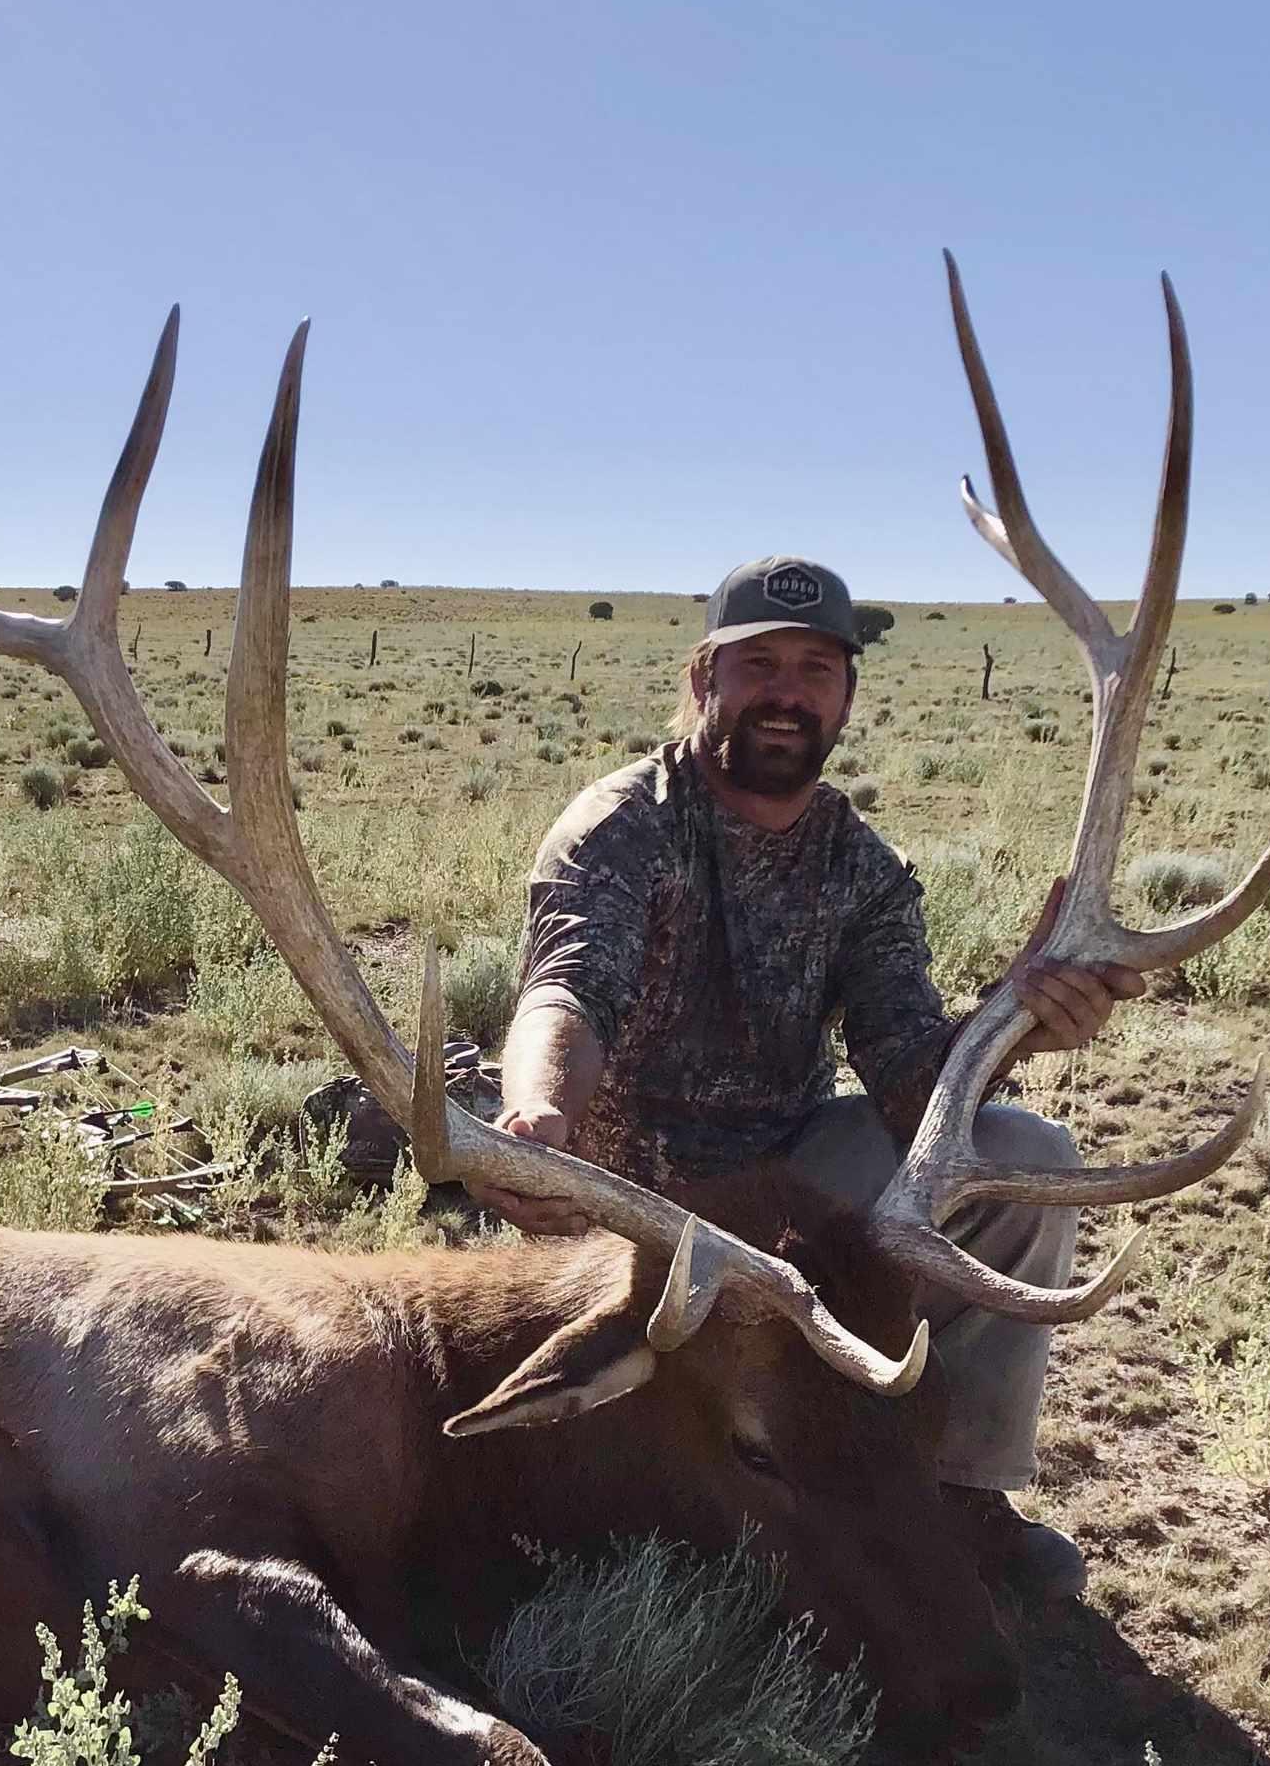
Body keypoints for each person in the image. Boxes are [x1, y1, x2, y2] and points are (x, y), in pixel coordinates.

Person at [467, 555, 1144, 1605]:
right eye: (761, 665)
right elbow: (565, 994)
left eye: (816, 669)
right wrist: (537, 1112)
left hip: (790, 1182)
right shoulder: (619, 826)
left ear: (846, 697)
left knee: (1022, 1155)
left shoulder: (862, 871)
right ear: (706, 679)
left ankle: (959, 1492)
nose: (788, 692)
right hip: (629, 1199)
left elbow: (918, 1085)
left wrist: (1019, 1022)